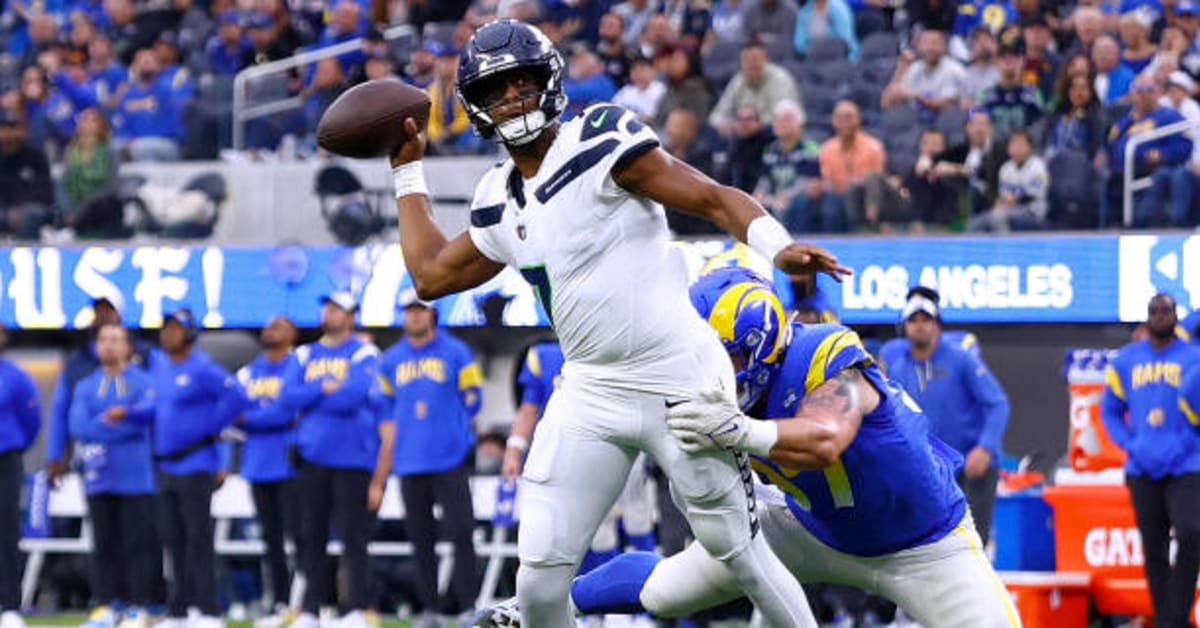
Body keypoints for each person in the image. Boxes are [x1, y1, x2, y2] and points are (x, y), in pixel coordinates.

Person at [390, 18, 849, 628]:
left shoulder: (600, 139)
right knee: (539, 579)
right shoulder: (496, 196)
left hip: (678, 378)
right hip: (590, 389)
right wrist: (405, 169)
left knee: (739, 554)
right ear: (477, 107)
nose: (513, 98)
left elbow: (711, 196)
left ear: (548, 80)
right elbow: (429, 276)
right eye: (497, 90)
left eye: (522, 82)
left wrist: (776, 243)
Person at [477, 267, 1021, 627]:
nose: (709, 371)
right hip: (811, 527)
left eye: (725, 357)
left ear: (760, 347)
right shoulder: (712, 384)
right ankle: (528, 608)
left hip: (924, 545)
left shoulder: (825, 352)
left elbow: (828, 439)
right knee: (669, 590)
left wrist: (743, 432)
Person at [373, 293, 483, 627]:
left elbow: (474, 398)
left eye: (420, 311)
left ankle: (468, 606)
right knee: (421, 540)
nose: (415, 317)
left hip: (449, 458)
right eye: (409, 311)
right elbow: (384, 409)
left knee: (462, 533)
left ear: (431, 314)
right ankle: (430, 609)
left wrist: (458, 430)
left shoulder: (456, 352)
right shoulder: (390, 360)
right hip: (409, 460)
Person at [877, 287, 1011, 544]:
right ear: (904, 326)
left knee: (972, 542)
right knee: (930, 542)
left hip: (971, 465)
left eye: (926, 320)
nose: (919, 326)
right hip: (929, 467)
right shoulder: (897, 364)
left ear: (937, 325)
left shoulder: (961, 359)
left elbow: (997, 404)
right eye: (913, 320)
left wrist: (985, 448)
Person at [1102, 293, 1200, 628]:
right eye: (1155, 311)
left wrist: (1186, 442)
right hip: (1142, 465)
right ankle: (1168, 620)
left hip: (1187, 463)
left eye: (1167, 311)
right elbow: (1110, 411)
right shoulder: (1126, 361)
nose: (1161, 316)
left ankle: (1176, 614)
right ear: (1146, 317)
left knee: (1191, 532)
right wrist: (1130, 444)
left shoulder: (1194, 357)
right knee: (1153, 546)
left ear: (1176, 316)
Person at [282, 293, 379, 628]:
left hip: (352, 458)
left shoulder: (365, 351)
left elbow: (353, 395)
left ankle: (356, 608)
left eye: (337, 308)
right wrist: (323, 387)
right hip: (312, 457)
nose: (329, 313)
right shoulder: (306, 352)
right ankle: (311, 609)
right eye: (327, 307)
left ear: (350, 316)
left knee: (353, 535)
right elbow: (287, 395)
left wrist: (313, 395)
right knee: (311, 536)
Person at [152, 308, 247, 628]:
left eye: (175, 329)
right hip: (166, 464)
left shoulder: (203, 368)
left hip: (195, 463)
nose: (167, 334)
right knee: (173, 539)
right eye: (165, 328)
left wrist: (211, 426)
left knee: (197, 538)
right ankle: (179, 609)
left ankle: (207, 609)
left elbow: (236, 396)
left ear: (189, 334)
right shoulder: (162, 369)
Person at [68, 323, 157, 626]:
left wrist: (111, 424)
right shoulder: (85, 385)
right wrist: (119, 424)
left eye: (115, 340)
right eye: (103, 340)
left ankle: (137, 606)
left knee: (137, 544)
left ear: (127, 347)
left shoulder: (144, 382)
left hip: (135, 475)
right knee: (103, 542)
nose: (108, 346)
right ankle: (106, 604)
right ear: (95, 347)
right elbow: (79, 427)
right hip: (99, 475)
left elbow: (147, 418)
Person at [234, 316, 301, 623]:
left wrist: (253, 419)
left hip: (291, 465)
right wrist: (268, 417)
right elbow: (232, 411)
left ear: (292, 335)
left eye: (279, 326)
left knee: (303, 538)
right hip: (257, 465)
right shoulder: (248, 371)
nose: (270, 330)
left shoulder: (298, 365)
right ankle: (280, 602)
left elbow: (289, 410)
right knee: (271, 541)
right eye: (268, 325)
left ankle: (309, 603)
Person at [0, 323, 40, 628]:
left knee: (6, 530)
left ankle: (10, 604)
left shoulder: (15, 376)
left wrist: (12, 443)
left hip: (5, 459)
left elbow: (31, 419)